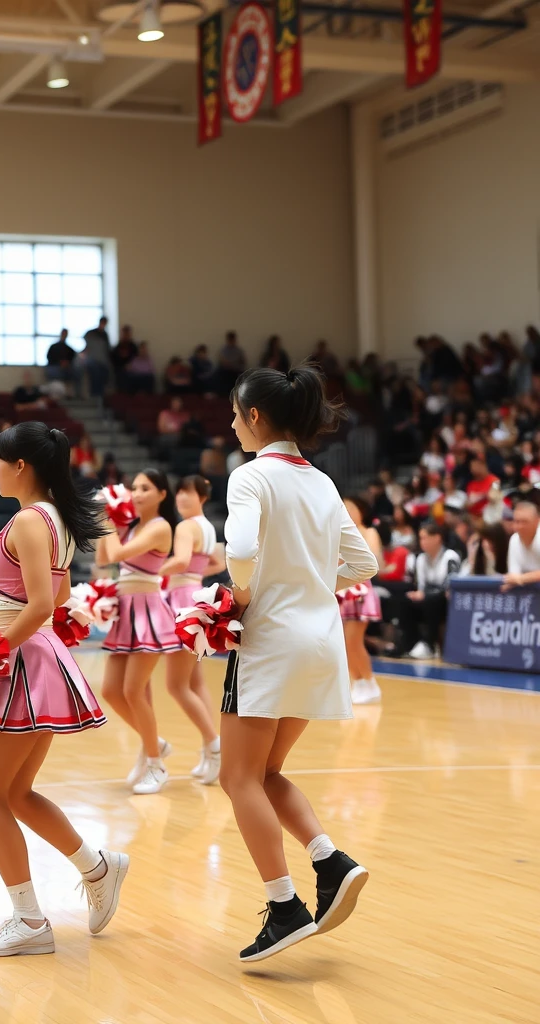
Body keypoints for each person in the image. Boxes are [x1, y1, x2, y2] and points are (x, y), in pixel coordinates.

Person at [220, 362, 377, 962]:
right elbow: (363, 566)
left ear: (255, 416)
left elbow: (239, 549)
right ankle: (330, 861)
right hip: (322, 643)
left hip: (271, 642)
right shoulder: (322, 482)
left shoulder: (251, 477)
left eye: (236, 415)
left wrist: (242, 593)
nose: (233, 427)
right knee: (265, 773)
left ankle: (284, 907)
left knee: (237, 778)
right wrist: (311, 582)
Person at [0, 421, 127, 957]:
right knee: (14, 792)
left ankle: (29, 921)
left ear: (21, 467)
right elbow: (57, 596)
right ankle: (97, 867)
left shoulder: (31, 520)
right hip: (38, 654)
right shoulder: (53, 518)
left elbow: (39, 605)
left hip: (22, 659)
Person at [96, 469, 180, 795]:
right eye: (134, 488)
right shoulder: (132, 528)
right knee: (110, 690)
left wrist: (106, 522)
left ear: (162, 494)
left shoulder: (160, 527)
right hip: (125, 610)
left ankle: (156, 764)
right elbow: (106, 558)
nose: (138, 493)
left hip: (148, 611)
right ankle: (153, 741)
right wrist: (112, 524)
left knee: (134, 691)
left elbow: (116, 554)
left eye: (145, 488)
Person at [159, 475, 224, 783]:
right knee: (195, 681)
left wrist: (152, 570)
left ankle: (215, 747)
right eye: (179, 493)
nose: (182, 498)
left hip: (182, 601)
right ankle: (209, 748)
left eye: (188, 493)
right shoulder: (208, 526)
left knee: (176, 685)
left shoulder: (185, 527)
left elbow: (182, 559)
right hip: (196, 597)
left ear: (202, 496)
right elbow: (215, 562)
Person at [338, 497, 384, 705]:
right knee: (344, 644)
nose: (346, 511)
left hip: (360, 590)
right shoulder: (339, 534)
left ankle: (370, 682)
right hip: (342, 591)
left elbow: (373, 560)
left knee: (353, 641)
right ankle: (358, 683)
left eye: (350, 508)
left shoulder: (368, 531)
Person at [397, 522, 461, 659]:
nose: (422, 542)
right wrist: (418, 594)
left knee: (431, 601)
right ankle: (409, 644)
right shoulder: (420, 559)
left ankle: (429, 645)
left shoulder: (450, 557)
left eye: (425, 538)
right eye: (420, 538)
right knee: (405, 601)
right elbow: (421, 586)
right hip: (427, 598)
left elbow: (448, 586)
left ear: (437, 538)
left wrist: (425, 595)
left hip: (446, 601)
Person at [502, 500, 540, 590]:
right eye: (517, 521)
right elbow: (514, 576)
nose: (519, 526)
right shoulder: (514, 540)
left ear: (537, 521)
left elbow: (518, 579)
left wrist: (522, 578)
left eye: (524, 522)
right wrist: (515, 579)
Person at [45, 329, 82, 397]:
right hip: (55, 367)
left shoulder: (69, 349)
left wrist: (67, 363)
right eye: (63, 334)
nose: (64, 335)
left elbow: (73, 359)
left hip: (67, 369)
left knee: (77, 372)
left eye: (65, 334)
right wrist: (59, 363)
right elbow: (48, 357)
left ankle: (77, 395)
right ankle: (60, 393)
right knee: (53, 372)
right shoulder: (53, 347)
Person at [81, 316, 111, 397]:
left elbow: (107, 350)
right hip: (91, 360)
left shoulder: (104, 335)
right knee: (95, 372)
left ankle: (100, 394)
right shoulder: (91, 333)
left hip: (102, 361)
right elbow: (87, 348)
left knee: (104, 373)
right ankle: (94, 393)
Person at [216, 331, 247, 395]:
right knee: (220, 372)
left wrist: (234, 364)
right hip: (226, 370)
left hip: (236, 370)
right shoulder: (224, 350)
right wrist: (230, 363)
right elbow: (222, 361)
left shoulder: (238, 350)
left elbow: (243, 361)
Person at [110, 326, 139, 392]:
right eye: (124, 334)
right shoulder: (117, 347)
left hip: (133, 369)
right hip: (120, 370)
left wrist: (131, 365)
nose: (126, 336)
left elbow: (136, 358)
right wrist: (123, 366)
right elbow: (114, 360)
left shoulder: (133, 347)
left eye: (127, 334)